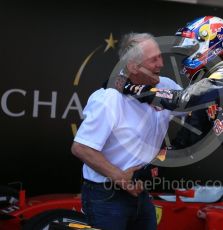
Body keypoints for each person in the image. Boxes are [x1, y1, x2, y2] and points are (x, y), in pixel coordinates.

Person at [122, 16, 223, 230]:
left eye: (192, 48)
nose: (188, 55)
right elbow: (185, 143)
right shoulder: (210, 89)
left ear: (210, 44)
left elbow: (183, 100)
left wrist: (136, 89)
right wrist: (150, 167)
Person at [70, 32, 182, 230]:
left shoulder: (166, 86)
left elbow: (195, 112)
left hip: (141, 192)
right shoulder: (109, 98)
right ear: (133, 66)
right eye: (153, 59)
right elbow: (81, 148)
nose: (161, 64)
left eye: (160, 56)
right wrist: (122, 178)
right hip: (107, 195)